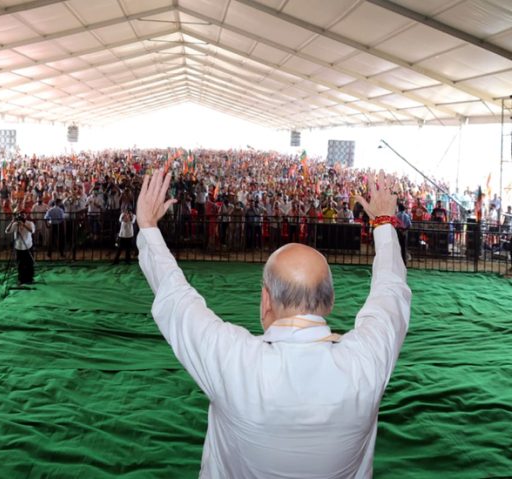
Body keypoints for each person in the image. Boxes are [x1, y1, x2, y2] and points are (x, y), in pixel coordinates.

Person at [136, 169, 411, 478]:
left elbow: (176, 297)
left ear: (266, 300)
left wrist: (148, 225)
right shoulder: (366, 362)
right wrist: (384, 223)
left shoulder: (233, 359)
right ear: (330, 302)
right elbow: (390, 291)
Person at [5, 212, 35, 285]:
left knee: (29, 263)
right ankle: (21, 279)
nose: (21, 217)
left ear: (26, 216)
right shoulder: (15, 224)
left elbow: (32, 231)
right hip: (18, 247)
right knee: (20, 264)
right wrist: (12, 222)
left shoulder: (30, 223)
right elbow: (7, 231)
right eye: (20, 216)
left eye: (23, 215)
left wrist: (23, 225)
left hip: (28, 246)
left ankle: (30, 279)